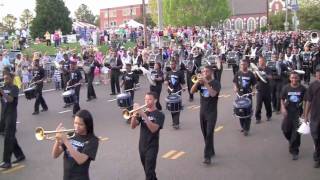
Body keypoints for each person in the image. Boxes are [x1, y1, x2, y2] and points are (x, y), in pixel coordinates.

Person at [52, 109, 99, 180]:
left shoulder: (93, 140)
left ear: (87, 125)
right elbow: (55, 155)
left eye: (80, 124)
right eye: (75, 123)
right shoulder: (71, 134)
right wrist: (57, 140)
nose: (76, 126)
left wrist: (65, 141)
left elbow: (80, 160)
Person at [130, 92, 165, 180]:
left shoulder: (160, 114)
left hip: (152, 146)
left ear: (155, 100)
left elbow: (154, 129)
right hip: (142, 145)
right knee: (148, 170)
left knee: (149, 171)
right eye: (145, 99)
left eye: (149, 99)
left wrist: (144, 115)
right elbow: (133, 126)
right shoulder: (142, 112)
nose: (146, 101)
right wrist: (134, 114)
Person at [190, 65, 221, 165]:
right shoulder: (200, 82)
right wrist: (197, 83)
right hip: (202, 112)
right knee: (205, 134)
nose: (204, 73)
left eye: (206, 71)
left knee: (209, 133)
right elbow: (191, 91)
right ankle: (210, 150)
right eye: (203, 71)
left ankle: (207, 157)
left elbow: (213, 94)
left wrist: (206, 83)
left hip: (212, 112)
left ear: (211, 72)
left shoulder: (216, 83)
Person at [0, 72, 25, 169]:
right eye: (4, 78)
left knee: (8, 138)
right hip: (4, 114)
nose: (5, 79)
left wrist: (2, 91)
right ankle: (20, 155)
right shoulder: (3, 87)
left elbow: (10, 99)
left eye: (7, 78)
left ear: (11, 78)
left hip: (11, 115)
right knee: (9, 136)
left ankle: (7, 162)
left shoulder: (14, 88)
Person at [280, 72, 306, 160]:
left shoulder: (302, 89)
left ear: (298, 78)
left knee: (296, 133)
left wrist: (305, 113)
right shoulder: (286, 88)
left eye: (295, 78)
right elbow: (282, 99)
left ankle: (295, 151)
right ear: (290, 78)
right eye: (292, 78)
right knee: (285, 130)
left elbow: (306, 101)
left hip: (298, 113)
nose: (294, 79)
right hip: (288, 113)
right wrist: (283, 108)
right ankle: (291, 141)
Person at [233, 59, 257, 136]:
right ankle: (243, 127)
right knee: (240, 112)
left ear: (247, 65)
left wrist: (253, 91)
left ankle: (247, 128)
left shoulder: (251, 74)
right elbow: (234, 82)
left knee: (248, 112)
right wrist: (235, 88)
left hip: (247, 96)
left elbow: (254, 85)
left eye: (244, 64)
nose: (243, 65)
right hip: (239, 96)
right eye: (242, 64)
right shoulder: (238, 73)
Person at [304, 66, 320, 168]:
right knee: (316, 137)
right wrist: (305, 116)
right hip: (315, 117)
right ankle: (317, 155)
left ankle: (317, 158)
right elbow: (308, 101)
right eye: (318, 73)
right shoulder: (312, 86)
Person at [164, 60, 186, 129]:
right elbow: (166, 82)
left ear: (175, 65)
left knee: (177, 107)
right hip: (171, 93)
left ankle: (176, 123)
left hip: (178, 92)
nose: (171, 65)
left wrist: (183, 88)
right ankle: (174, 121)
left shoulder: (180, 73)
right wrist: (167, 85)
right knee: (172, 107)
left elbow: (182, 82)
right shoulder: (168, 73)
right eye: (170, 64)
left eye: (173, 64)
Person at [255, 56, 273, 124]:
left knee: (268, 104)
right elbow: (255, 79)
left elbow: (271, 77)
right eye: (259, 61)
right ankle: (258, 118)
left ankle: (269, 115)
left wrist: (264, 75)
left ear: (264, 61)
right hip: (259, 89)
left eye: (261, 61)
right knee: (258, 105)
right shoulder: (257, 69)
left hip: (267, 89)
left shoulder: (268, 69)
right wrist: (256, 75)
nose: (260, 62)